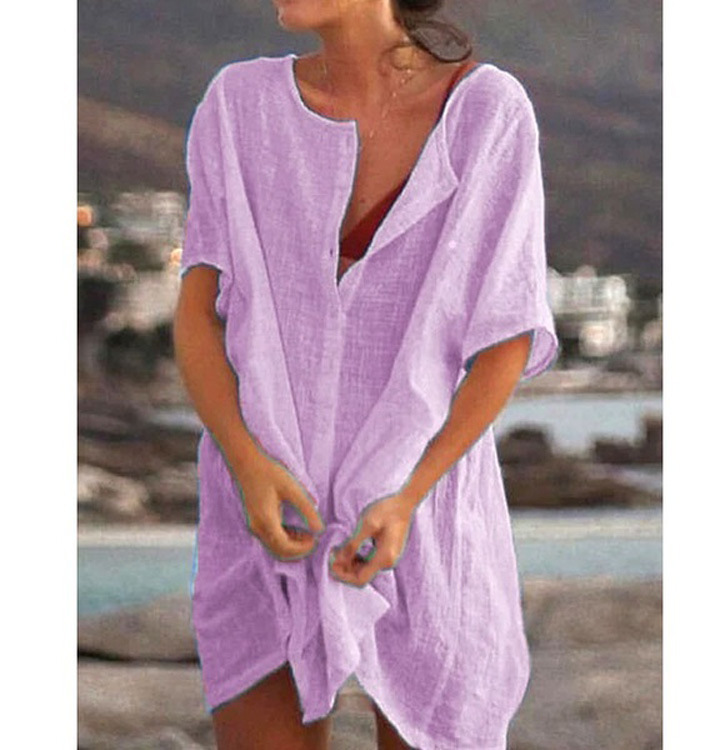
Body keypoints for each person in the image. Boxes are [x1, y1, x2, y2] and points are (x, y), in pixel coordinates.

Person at [172, 2, 560, 749]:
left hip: (423, 513)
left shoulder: (487, 112)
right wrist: (247, 465)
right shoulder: (237, 106)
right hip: (265, 513)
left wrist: (408, 496)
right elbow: (197, 317)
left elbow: (506, 339)